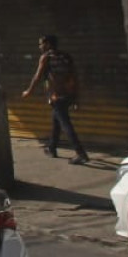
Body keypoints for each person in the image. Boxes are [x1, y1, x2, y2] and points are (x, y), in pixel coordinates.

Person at [24, 34, 88, 163]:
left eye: (41, 44)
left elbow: (37, 77)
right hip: (68, 95)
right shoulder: (66, 56)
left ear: (48, 44)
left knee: (65, 124)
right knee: (56, 122)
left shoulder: (46, 58)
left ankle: (81, 153)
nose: (40, 46)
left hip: (56, 97)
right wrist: (76, 97)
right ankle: (51, 148)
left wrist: (28, 91)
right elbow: (74, 77)